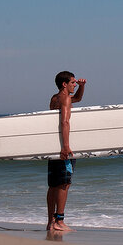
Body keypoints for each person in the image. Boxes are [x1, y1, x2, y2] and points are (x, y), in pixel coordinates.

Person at [47, 70, 85, 232]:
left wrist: (82, 87)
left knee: (54, 185)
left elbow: (77, 98)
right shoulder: (64, 99)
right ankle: (60, 221)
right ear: (65, 84)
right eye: (73, 83)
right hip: (63, 146)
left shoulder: (55, 98)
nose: (75, 85)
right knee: (64, 184)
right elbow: (65, 122)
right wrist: (66, 146)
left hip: (52, 146)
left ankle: (51, 222)